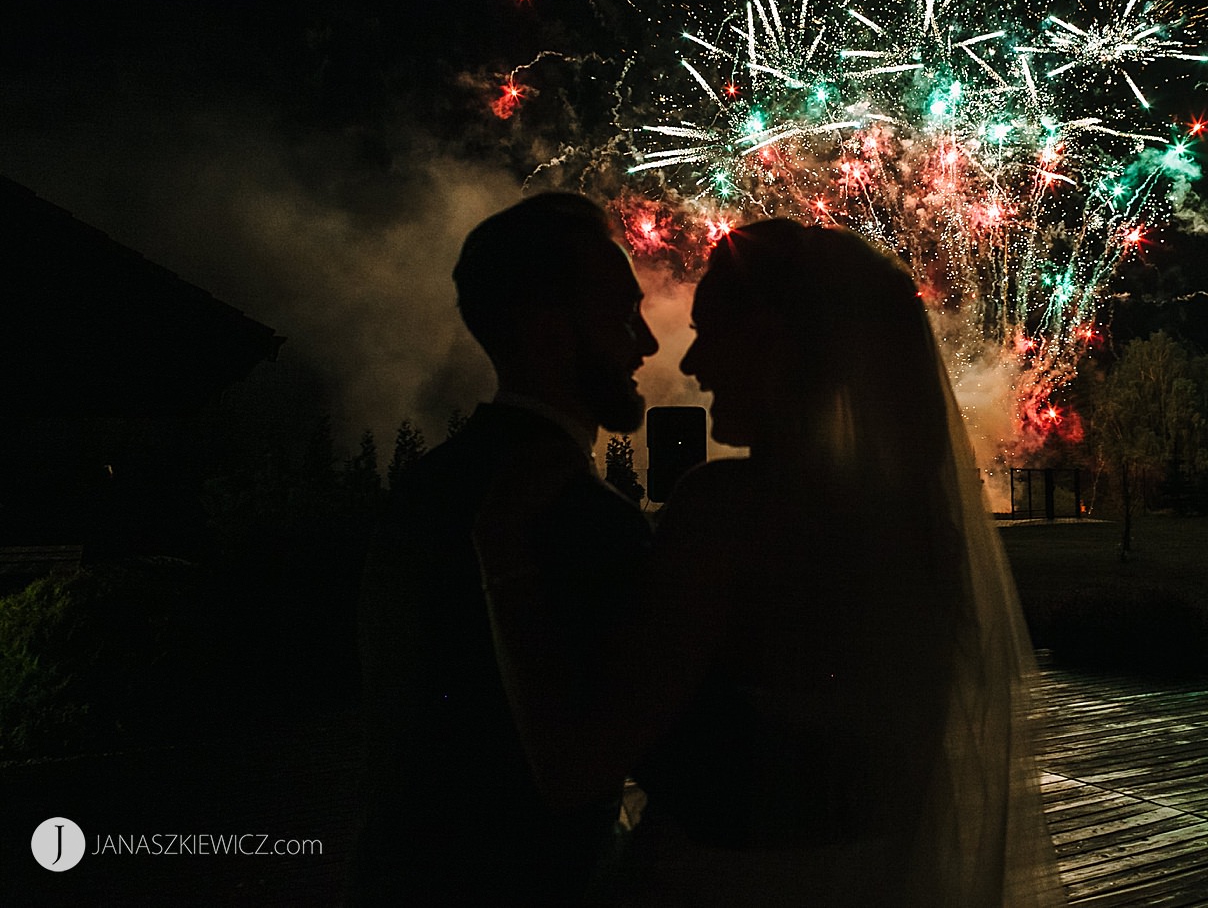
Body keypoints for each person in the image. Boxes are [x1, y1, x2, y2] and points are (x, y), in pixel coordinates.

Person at [611, 220, 1058, 906]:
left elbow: (623, 733)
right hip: (869, 872)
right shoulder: (913, 522)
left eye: (711, 330)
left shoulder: (722, 511)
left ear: (774, 339)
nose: (693, 362)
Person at [348, 192, 659, 904]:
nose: (646, 343)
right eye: (621, 314)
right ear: (548, 332)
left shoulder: (421, 489)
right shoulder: (586, 518)